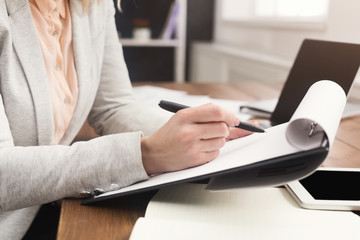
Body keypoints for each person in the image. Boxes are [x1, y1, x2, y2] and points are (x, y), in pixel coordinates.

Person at [0, 0, 252, 239]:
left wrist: (203, 135)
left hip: (45, 204)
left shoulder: (93, 5)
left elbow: (113, 107)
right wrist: (146, 155)